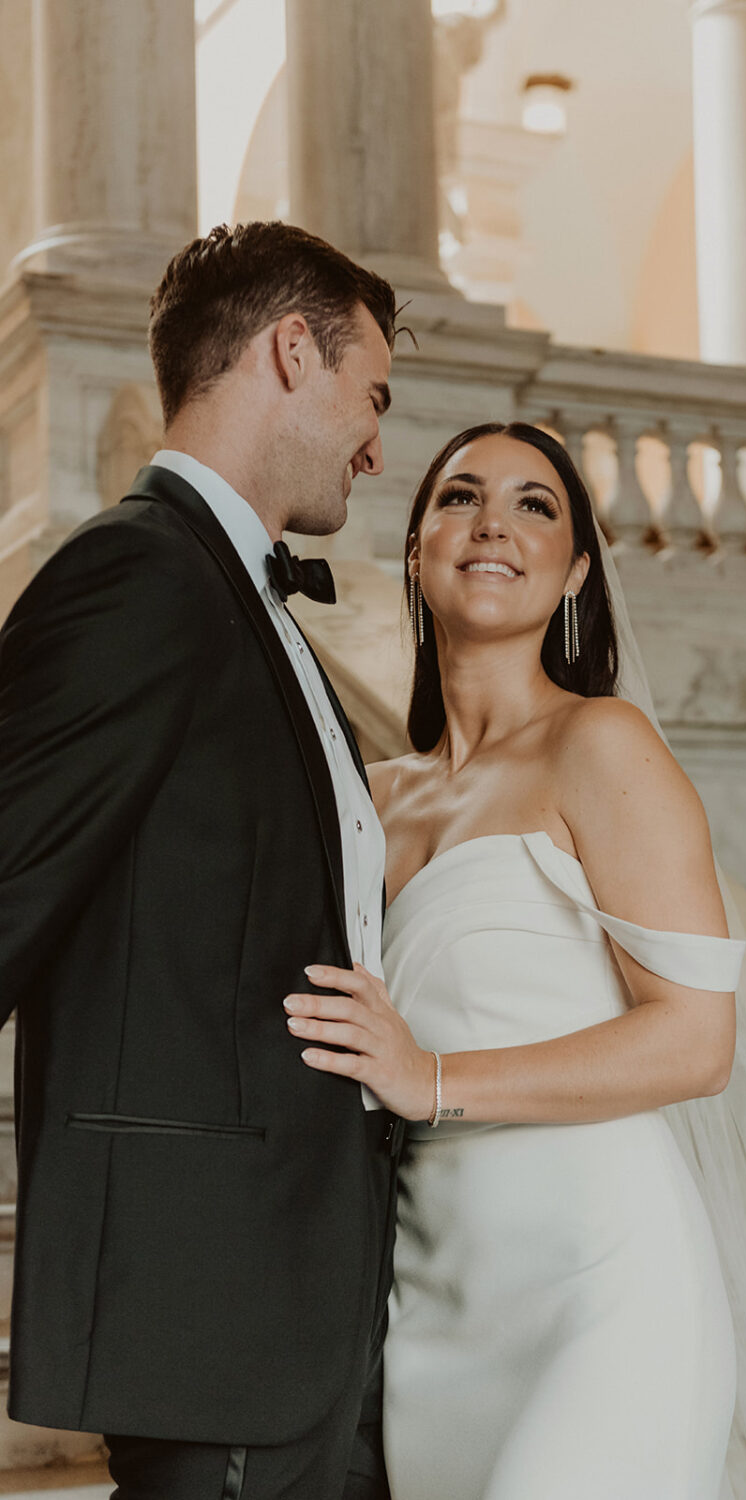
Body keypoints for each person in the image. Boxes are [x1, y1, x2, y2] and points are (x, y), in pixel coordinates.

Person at [290, 422, 746, 1499]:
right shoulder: (369, 797)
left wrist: (432, 1078)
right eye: (458, 497)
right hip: (433, 1297)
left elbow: (694, 1043)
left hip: (604, 1278)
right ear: (415, 549)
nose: (491, 523)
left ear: (575, 574)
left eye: (533, 505)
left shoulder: (600, 745)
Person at [0, 221, 400, 1500]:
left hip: (309, 1301)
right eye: (373, 397)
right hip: (210, 1310)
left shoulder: (238, 598)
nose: (376, 447)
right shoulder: (138, 575)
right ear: (291, 352)